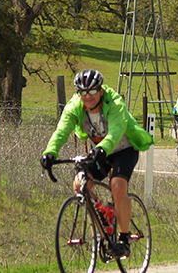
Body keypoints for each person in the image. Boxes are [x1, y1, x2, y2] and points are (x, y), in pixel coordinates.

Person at [40, 69, 154, 257]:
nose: (88, 96)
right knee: (80, 184)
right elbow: (61, 131)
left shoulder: (115, 102)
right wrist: (50, 153)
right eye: (83, 92)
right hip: (100, 151)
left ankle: (124, 240)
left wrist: (102, 148)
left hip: (123, 149)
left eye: (92, 91)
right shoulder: (75, 107)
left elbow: (117, 130)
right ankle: (104, 231)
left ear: (101, 90)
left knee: (117, 185)